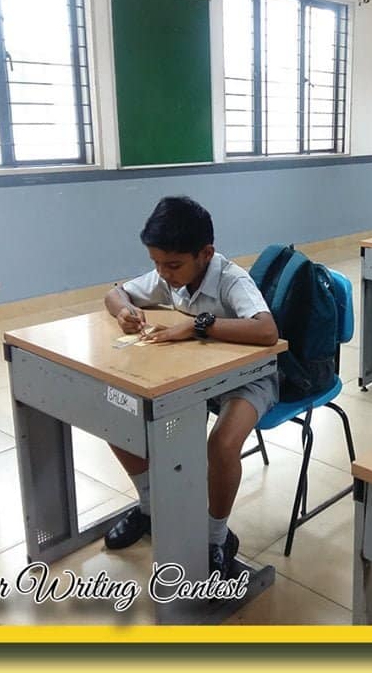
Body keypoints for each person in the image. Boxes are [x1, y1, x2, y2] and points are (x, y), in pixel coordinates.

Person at [103, 196, 279, 579]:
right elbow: (115, 293)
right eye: (155, 263)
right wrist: (124, 312)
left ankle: (216, 538)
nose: (163, 273)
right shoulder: (170, 274)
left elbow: (267, 331)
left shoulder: (231, 279)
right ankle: (151, 507)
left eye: (172, 265)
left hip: (250, 378)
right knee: (118, 418)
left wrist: (198, 325)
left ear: (205, 254)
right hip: (199, 378)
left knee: (222, 445)